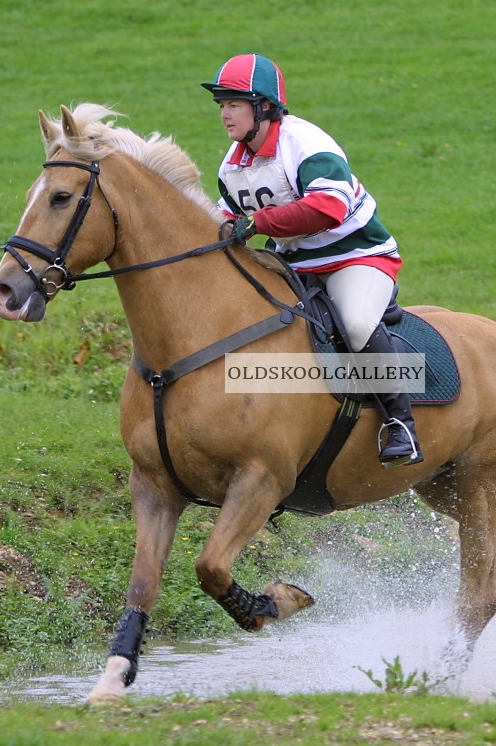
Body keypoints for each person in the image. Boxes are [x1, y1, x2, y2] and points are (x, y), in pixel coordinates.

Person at [202, 53, 423, 467]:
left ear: (264, 106)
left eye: (234, 104)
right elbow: (229, 216)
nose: (225, 115)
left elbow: (328, 208)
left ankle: (401, 424)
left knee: (356, 322)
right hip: (294, 265)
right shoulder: (232, 164)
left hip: (355, 258)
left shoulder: (306, 144)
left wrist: (256, 223)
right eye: (221, 105)